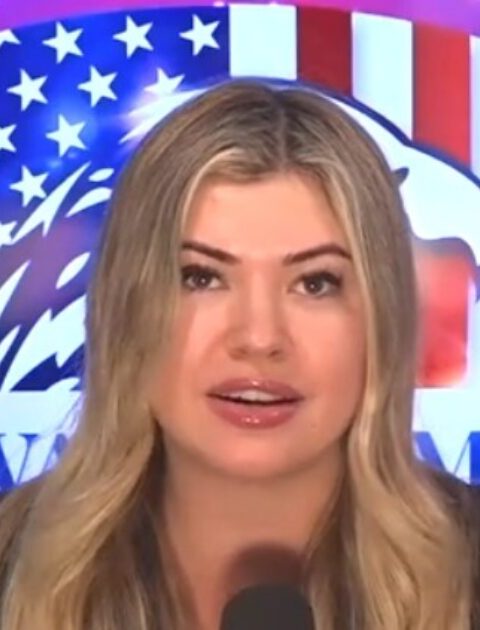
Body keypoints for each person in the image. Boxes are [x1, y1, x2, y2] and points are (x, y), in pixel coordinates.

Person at [0, 79, 478, 630]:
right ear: (124, 306)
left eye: (316, 283)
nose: (258, 337)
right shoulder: (13, 559)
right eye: (201, 277)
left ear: (382, 316)